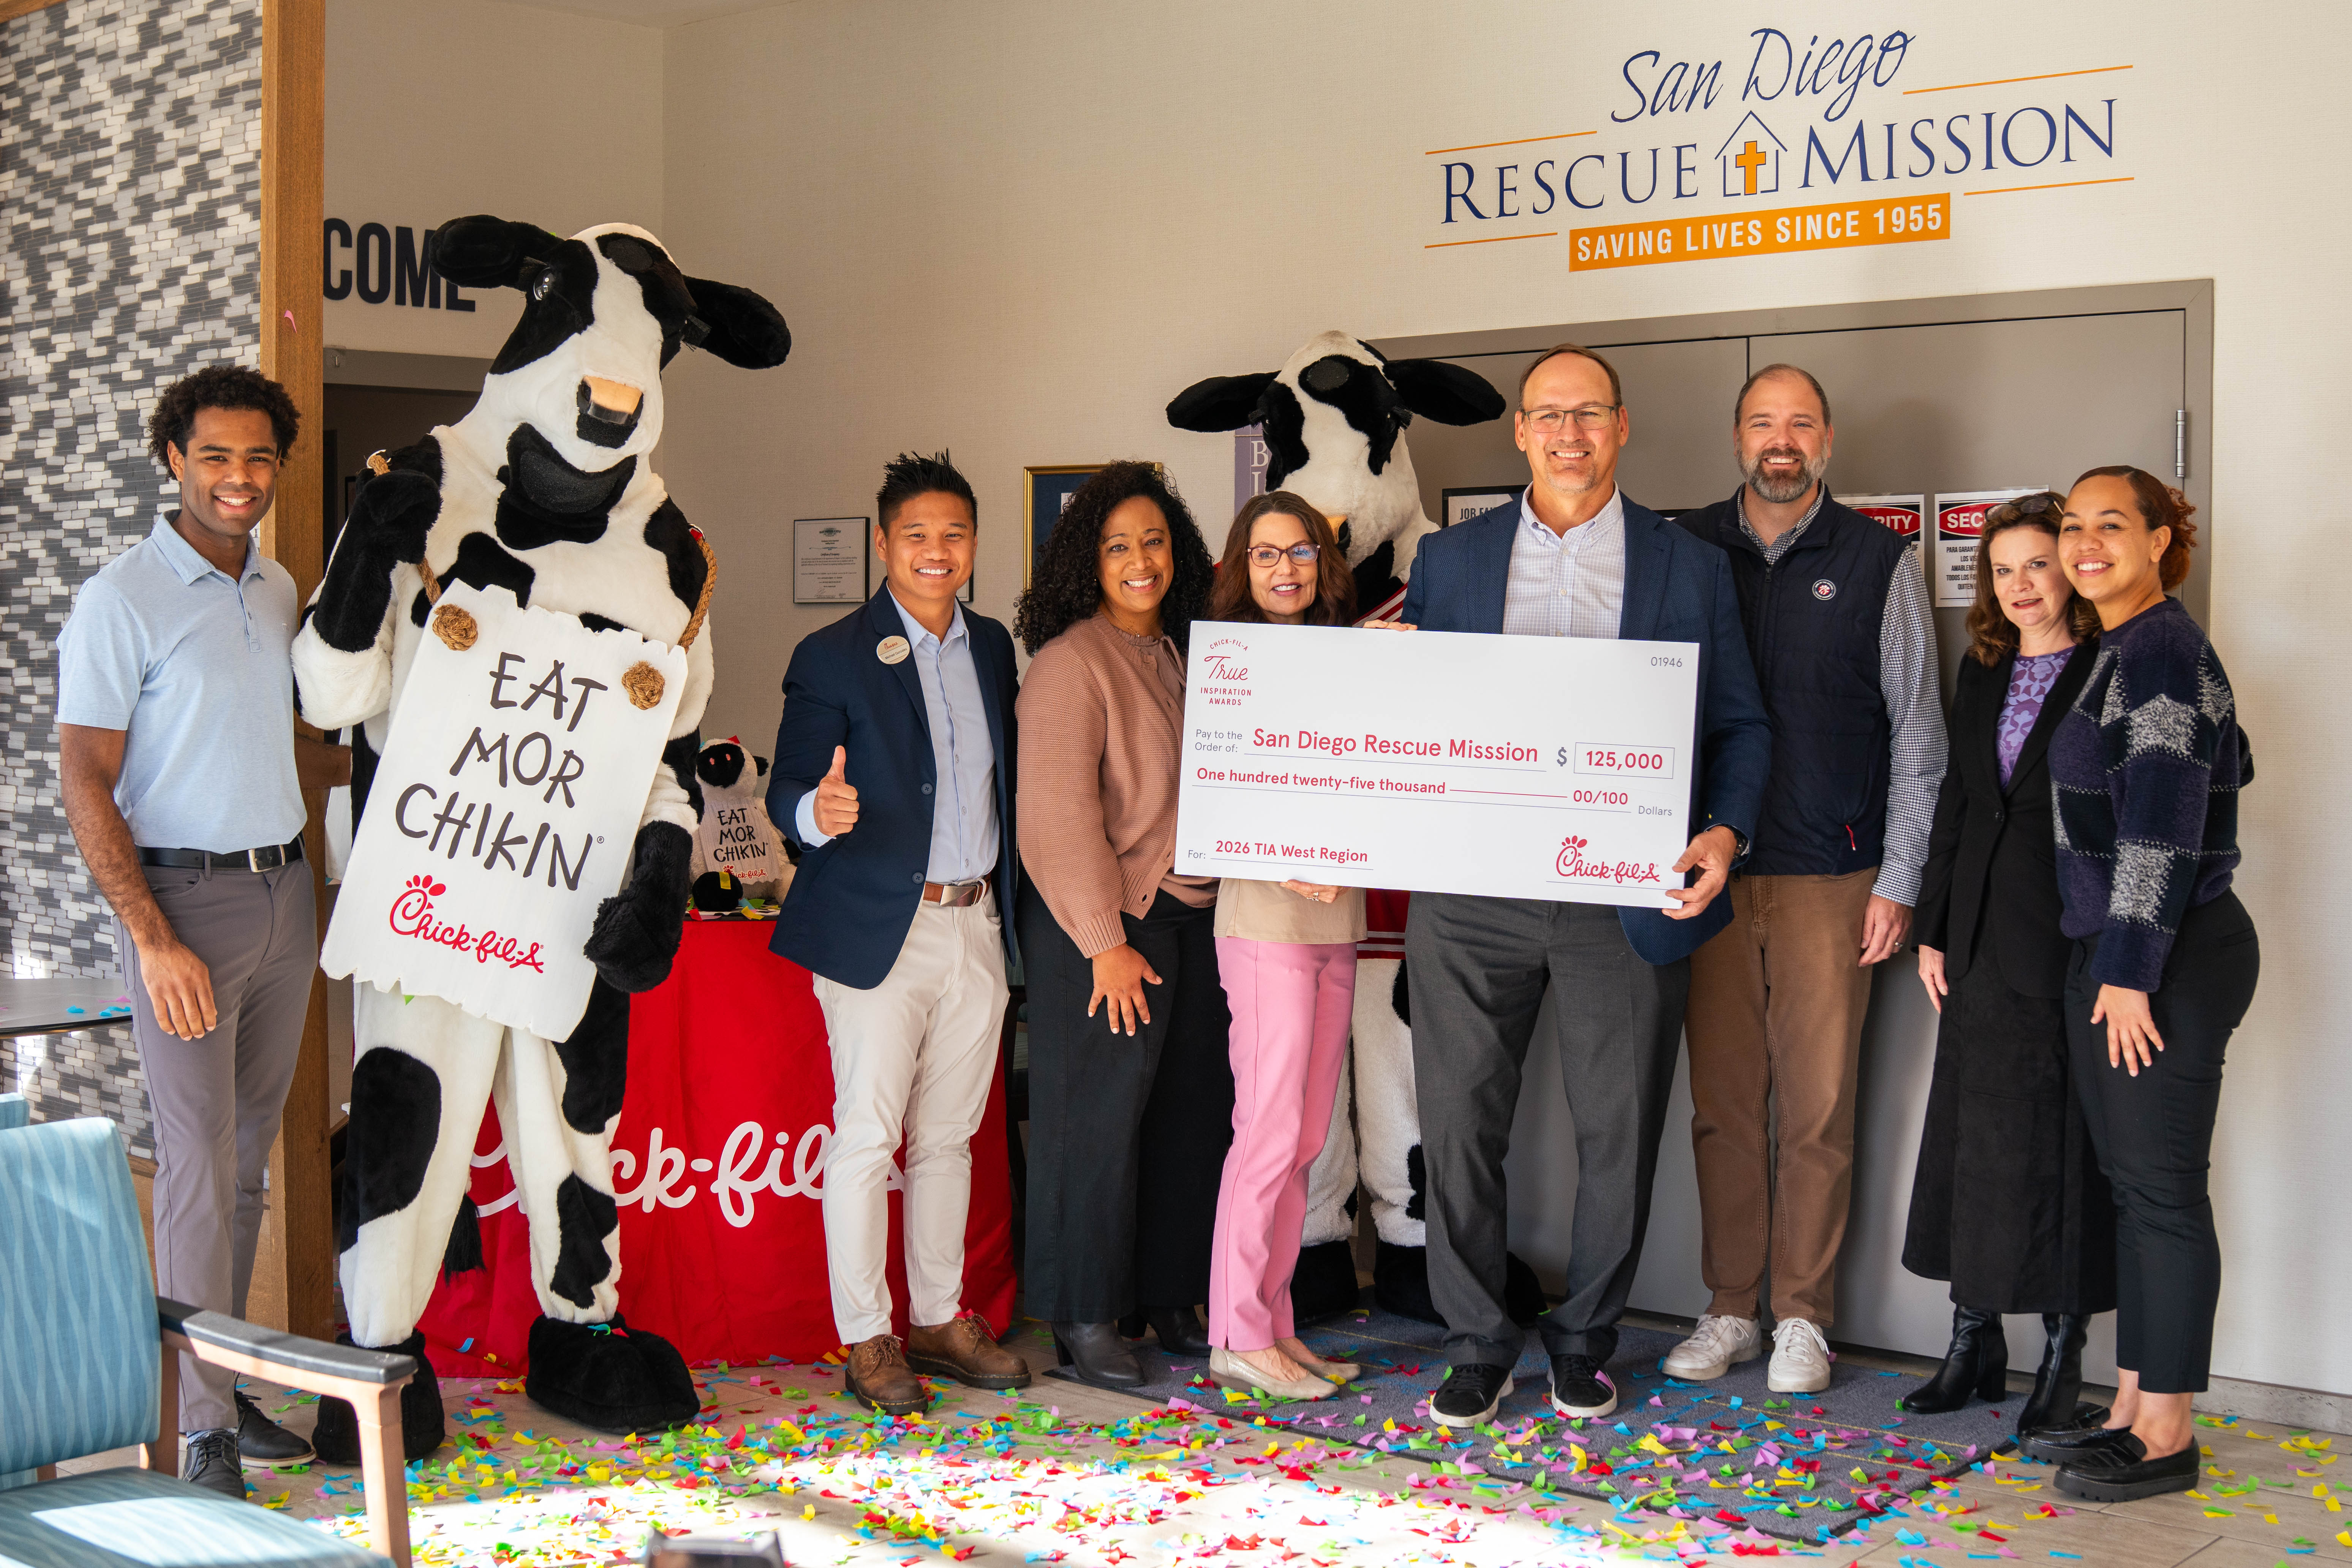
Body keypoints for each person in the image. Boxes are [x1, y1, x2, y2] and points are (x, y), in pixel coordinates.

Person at [1392, 344, 1772, 1427]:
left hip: (1624, 891)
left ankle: (1584, 1342)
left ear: (1622, 425)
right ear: (1520, 431)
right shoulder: (1450, 560)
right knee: (1460, 1127)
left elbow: (1741, 723)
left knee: (1621, 1131)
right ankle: (1476, 1343)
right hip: (1472, 894)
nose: (1570, 435)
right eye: (1549, 416)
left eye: (1590, 413)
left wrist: (1725, 834)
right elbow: (1412, 713)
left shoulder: (1688, 563)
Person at [55, 365, 349, 1499]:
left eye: (259, 457)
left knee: (246, 1164)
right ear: (174, 459)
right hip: (182, 907)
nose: (240, 477)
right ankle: (202, 1433)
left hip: (286, 895)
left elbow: (281, 744)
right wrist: (152, 937)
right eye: (216, 455)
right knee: (195, 1167)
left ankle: (217, 1384)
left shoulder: (276, 587)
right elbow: (85, 777)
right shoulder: (121, 598)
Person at [1664, 364, 1947, 1395]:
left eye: (1799, 424)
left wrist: (1899, 879)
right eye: (1761, 423)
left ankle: (1803, 1319)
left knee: (1818, 1111)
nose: (1779, 442)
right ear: (1737, 437)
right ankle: (1730, 1306)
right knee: (1724, 1108)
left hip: (1836, 876)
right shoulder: (1683, 547)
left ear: (1826, 440)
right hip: (1710, 877)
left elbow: (1919, 735)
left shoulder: (1879, 560)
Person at [768, 452, 1029, 1417]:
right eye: (916, 534)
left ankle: (938, 1319)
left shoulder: (991, 645)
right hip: (881, 926)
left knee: (950, 1139)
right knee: (870, 1138)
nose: (936, 551)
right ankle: (868, 1337)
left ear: (974, 544)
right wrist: (816, 812)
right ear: (884, 545)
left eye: (954, 534)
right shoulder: (833, 653)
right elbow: (788, 787)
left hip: (977, 923)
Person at [2031, 467, 2257, 1503]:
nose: (2085, 543)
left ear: (2161, 540)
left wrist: (2127, 974)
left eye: (2111, 524)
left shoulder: (2161, 650)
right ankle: (2130, 1405)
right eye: (2073, 525)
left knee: (2162, 1194)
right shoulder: (2120, 648)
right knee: (2135, 1190)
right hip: (2123, 952)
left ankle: (2167, 1432)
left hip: (2163, 959)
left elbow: (2162, 829)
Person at [1013, 460, 1231, 1390]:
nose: (1140, 561)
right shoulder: (1072, 662)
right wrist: (1105, 943)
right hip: (1103, 927)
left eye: (1153, 542)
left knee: (1188, 1117)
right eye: (1116, 547)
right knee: (1092, 1126)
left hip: (1190, 919)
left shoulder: (1183, 653)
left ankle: (1169, 1295)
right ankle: (1084, 1316)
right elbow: (1055, 818)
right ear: (1087, 563)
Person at [1900, 493, 2115, 1435]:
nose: (2020, 585)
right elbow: (1960, 796)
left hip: (2068, 941)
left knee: (2061, 1153)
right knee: (1972, 1144)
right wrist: (1935, 926)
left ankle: (2064, 1358)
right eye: (2002, 570)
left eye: (2037, 564)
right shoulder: (1984, 663)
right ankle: (1973, 1341)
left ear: (2072, 567)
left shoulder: (2109, 665)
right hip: (1979, 939)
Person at [1199, 492, 1368, 1402]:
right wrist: (1290, 863)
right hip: (1265, 920)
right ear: (1241, 567)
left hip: (1340, 922)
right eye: (1265, 554)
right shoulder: (1225, 663)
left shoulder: (1347, 657)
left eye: (1300, 551)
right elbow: (1208, 798)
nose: (1285, 569)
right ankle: (1235, 1332)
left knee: (1306, 1138)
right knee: (1266, 1133)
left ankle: (1273, 1323)